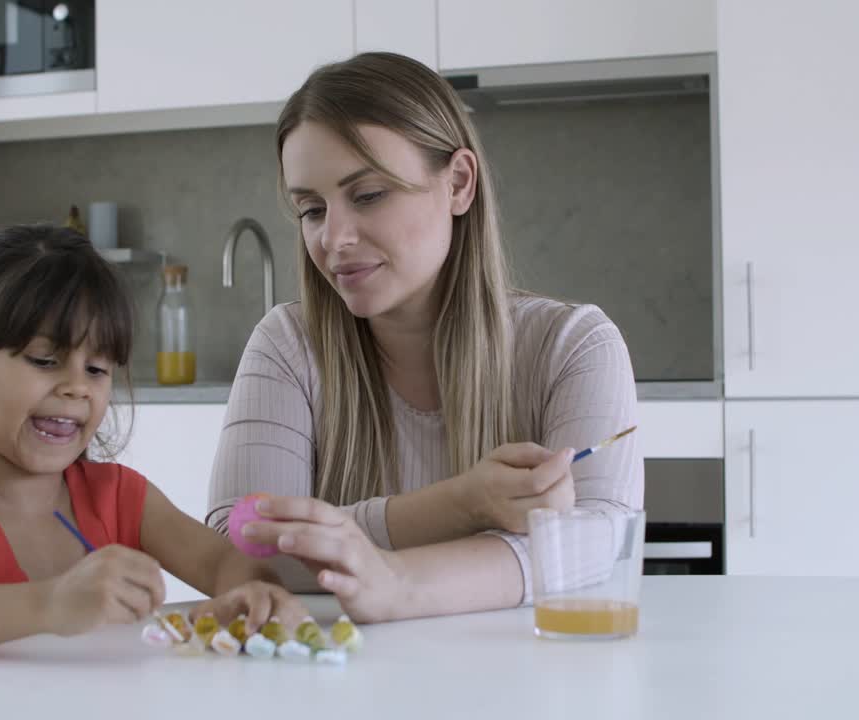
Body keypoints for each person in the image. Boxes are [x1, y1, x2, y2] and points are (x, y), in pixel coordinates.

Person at [205, 52, 643, 623]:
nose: (333, 238)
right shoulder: (288, 345)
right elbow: (243, 546)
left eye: (367, 195)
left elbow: (595, 541)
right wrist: (461, 505)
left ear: (458, 183)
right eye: (311, 209)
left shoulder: (574, 346)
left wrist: (396, 584)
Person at [0, 225, 304, 659]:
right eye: (45, 360)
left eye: (96, 370)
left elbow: (222, 563)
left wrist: (252, 594)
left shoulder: (121, 498)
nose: (77, 388)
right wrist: (49, 604)